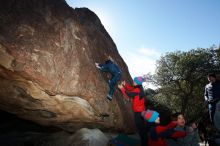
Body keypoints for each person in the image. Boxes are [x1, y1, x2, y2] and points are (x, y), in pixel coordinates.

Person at [118, 76, 148, 146]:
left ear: (137, 83)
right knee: (142, 129)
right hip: (141, 111)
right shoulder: (138, 88)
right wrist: (125, 85)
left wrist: (122, 89)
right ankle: (144, 143)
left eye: (134, 81)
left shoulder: (137, 90)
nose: (133, 82)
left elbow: (128, 95)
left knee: (141, 130)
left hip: (139, 113)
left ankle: (145, 144)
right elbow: (131, 88)